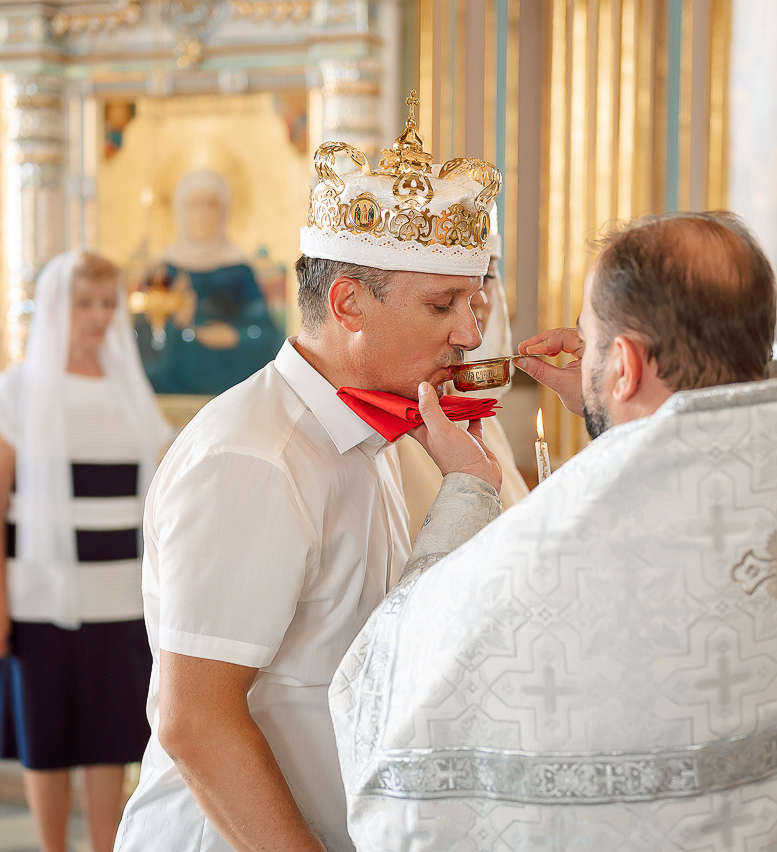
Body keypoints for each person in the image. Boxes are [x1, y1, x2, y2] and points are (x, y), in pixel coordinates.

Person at [331, 211, 777, 850]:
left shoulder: (559, 562)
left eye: (590, 339)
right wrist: (602, 395)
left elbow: (387, 693)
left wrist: (469, 487)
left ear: (626, 364)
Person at [114, 95, 504, 851]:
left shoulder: (362, 436)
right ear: (349, 302)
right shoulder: (253, 458)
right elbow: (196, 722)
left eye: (475, 301)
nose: (470, 332)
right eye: (442, 304)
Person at [0, 250, 173, 852]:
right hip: (40, 596)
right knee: (48, 740)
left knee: (110, 740)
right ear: (58, 307)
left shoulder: (131, 392)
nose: (98, 316)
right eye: (84, 302)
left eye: (108, 303)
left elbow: (164, 486)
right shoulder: (17, 389)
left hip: (120, 598)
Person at [396, 207, 530, 536]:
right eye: (444, 301)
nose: (480, 299)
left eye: (488, 277)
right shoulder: (390, 431)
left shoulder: (473, 411)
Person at [136, 169, 285, 395]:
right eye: (195, 205)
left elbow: (268, 336)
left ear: (225, 210)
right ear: (180, 210)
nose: (204, 214)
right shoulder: (162, 272)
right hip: (171, 390)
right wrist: (177, 324)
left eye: (212, 205)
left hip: (233, 390)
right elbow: (139, 342)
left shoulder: (238, 270)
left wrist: (236, 337)